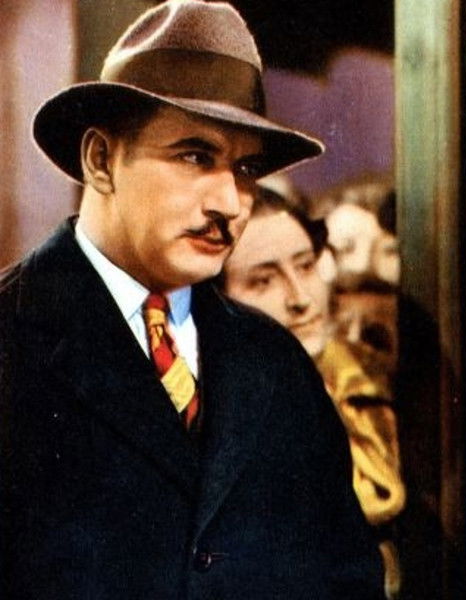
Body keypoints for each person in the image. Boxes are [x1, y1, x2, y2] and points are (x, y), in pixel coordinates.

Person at [0, 2, 385, 598]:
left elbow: (346, 578)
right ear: (101, 160)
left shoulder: (276, 362)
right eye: (195, 156)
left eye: (246, 169)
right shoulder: (12, 338)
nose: (229, 203)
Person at [222, 186, 406, 599]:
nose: (301, 299)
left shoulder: (369, 375)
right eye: (263, 281)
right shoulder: (213, 418)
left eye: (306, 266)